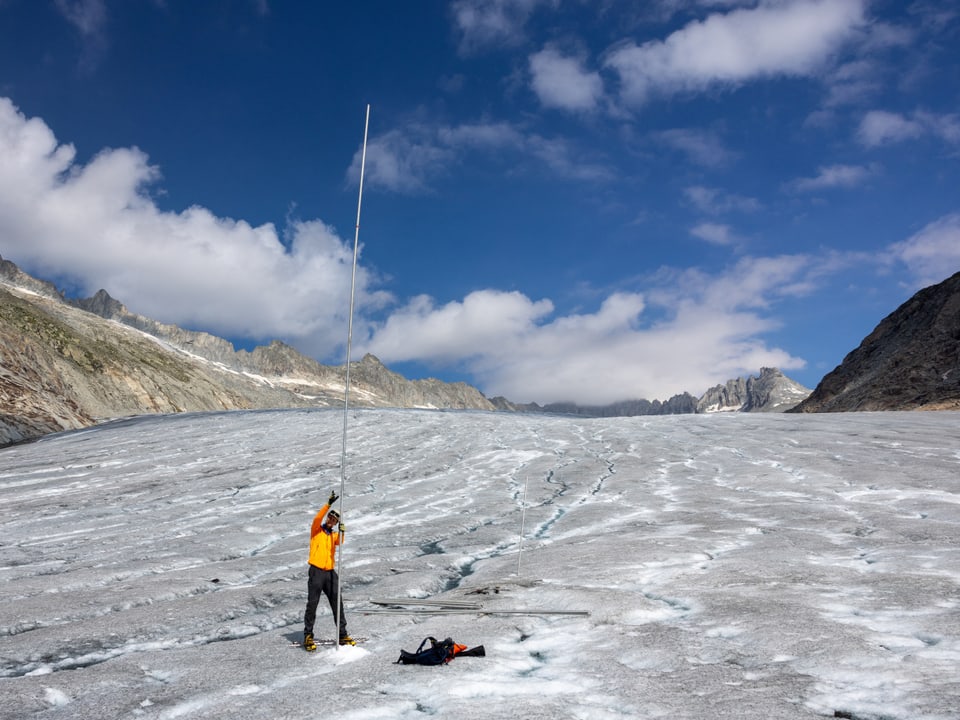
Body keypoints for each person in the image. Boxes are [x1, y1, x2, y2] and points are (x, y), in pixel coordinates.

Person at [303, 490, 354, 650]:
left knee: (337, 603)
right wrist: (328, 504)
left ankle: (342, 634)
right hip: (317, 571)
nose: (332, 521)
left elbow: (340, 542)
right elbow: (317, 518)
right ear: (328, 518)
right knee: (313, 603)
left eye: (335, 520)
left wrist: (342, 531)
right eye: (331, 518)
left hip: (330, 573)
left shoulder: (333, 536)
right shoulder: (316, 531)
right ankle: (308, 635)